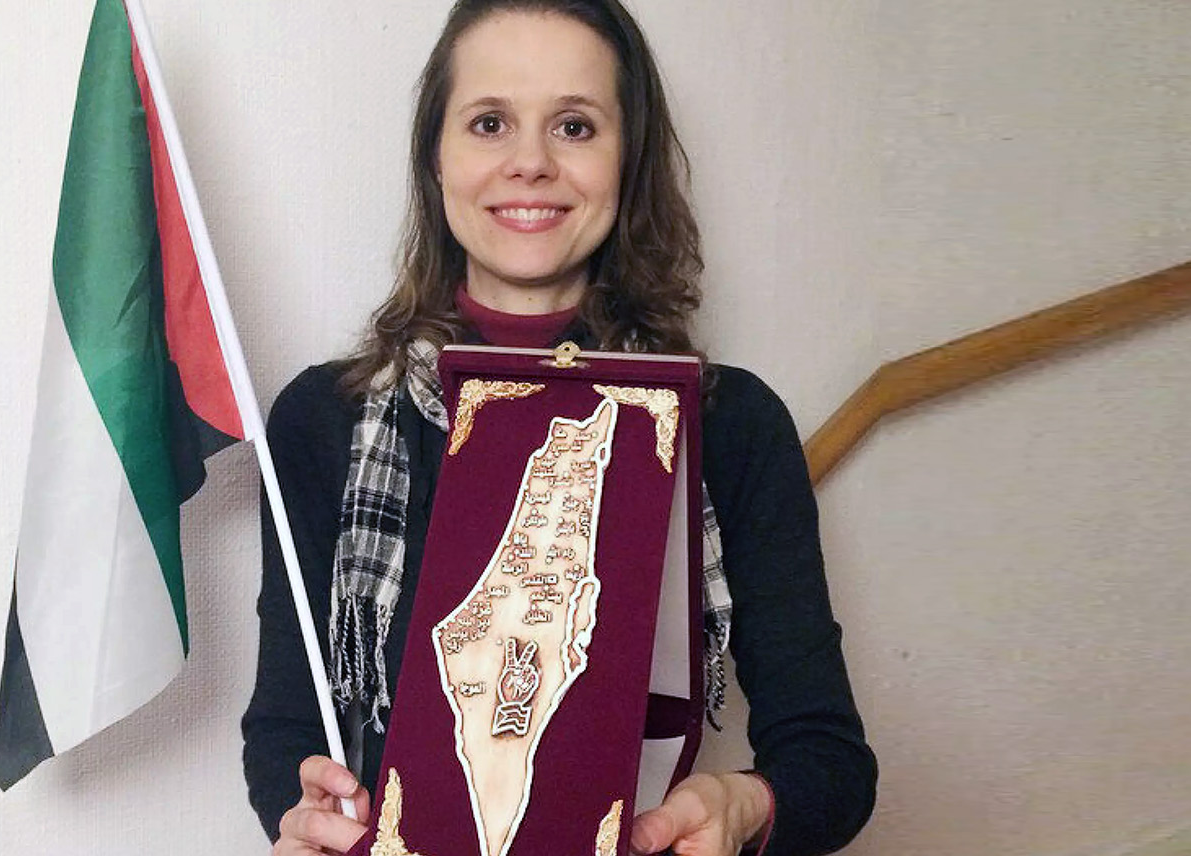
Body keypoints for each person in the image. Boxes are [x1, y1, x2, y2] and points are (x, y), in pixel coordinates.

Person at [241, 1, 877, 854]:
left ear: (628, 160)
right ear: (436, 158)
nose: (531, 162)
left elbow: (831, 765)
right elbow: (283, 729)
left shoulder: (731, 425)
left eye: (574, 126)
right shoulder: (325, 419)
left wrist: (745, 801)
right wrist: (299, 811)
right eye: (490, 123)